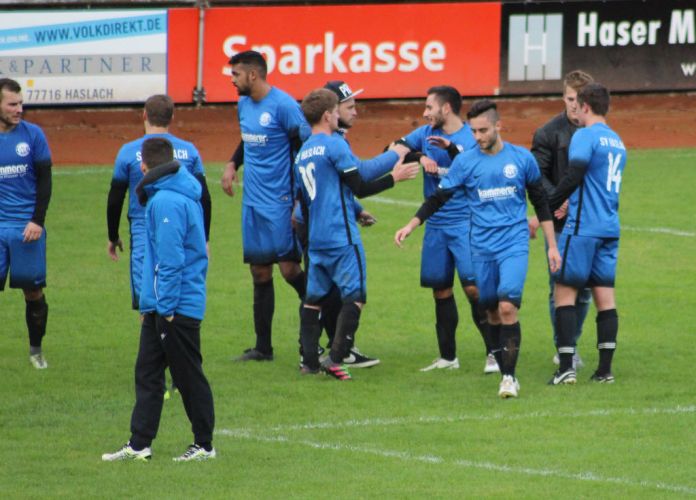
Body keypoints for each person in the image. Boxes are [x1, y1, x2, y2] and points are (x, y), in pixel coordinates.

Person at [395, 100, 561, 398]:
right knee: (491, 310)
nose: (478, 137)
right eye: (473, 131)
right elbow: (438, 198)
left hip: (513, 244)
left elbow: (541, 203)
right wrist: (411, 224)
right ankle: (500, 364)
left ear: (499, 126)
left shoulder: (522, 159)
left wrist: (552, 246)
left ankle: (508, 378)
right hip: (481, 248)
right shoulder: (466, 161)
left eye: (483, 130)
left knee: (508, 307)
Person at [102, 137, 215, 462]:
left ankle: (205, 445)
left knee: (187, 374)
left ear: (143, 167)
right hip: (161, 304)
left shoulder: (165, 202)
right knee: (148, 372)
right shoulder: (172, 194)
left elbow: (171, 260)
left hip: (175, 306)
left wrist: (165, 309)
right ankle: (140, 444)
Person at [295, 88, 417, 380]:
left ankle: (308, 362)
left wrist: (356, 209)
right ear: (327, 115)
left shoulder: (302, 152)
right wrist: (393, 170)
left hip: (317, 239)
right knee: (356, 295)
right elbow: (359, 180)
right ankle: (336, 358)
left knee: (313, 300)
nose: (340, 115)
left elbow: (317, 197)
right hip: (341, 236)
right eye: (337, 111)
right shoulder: (333, 144)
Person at [390, 86, 498, 374]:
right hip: (435, 224)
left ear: (446, 108)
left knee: (474, 289)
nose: (425, 113)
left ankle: (494, 354)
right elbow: (391, 148)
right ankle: (448, 358)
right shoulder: (424, 134)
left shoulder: (472, 135)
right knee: (440, 289)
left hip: (465, 223)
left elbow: (480, 163)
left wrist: (450, 151)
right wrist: (417, 157)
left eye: (429, 107)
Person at [221, 50, 311, 362]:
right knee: (259, 272)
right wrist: (233, 164)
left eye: (236, 75)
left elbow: (305, 149)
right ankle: (263, 348)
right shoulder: (243, 104)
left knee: (289, 270)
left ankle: (323, 310)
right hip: (253, 204)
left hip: (281, 201)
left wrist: (299, 199)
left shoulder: (285, 106)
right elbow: (247, 139)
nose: (232, 80)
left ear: (253, 75)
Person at [547, 83, 626, 385]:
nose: (574, 111)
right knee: (605, 298)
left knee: (564, 293)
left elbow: (574, 174)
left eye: (577, 106)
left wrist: (548, 205)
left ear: (586, 107)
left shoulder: (584, 135)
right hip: (609, 227)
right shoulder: (617, 141)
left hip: (582, 228)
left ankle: (566, 367)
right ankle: (605, 371)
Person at [107, 94, 211, 310]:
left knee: (147, 296)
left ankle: (152, 340)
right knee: (179, 284)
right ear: (172, 117)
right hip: (182, 227)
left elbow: (115, 198)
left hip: (143, 228)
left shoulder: (127, 152)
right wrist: (205, 238)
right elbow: (204, 196)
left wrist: (113, 235)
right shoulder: (189, 151)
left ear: (144, 115)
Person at [529, 70, 594, 370]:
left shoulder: (596, 131)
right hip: (557, 222)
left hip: (590, 220)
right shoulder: (547, 133)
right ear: (563, 96)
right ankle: (564, 347)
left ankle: (571, 341)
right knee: (560, 285)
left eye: (579, 100)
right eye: (569, 99)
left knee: (586, 290)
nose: (574, 105)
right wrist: (559, 199)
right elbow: (537, 176)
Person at [0, 78, 52, 369]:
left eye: (21, 103)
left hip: (26, 228)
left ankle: (36, 351)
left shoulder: (33, 135)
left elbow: (45, 180)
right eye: (12, 104)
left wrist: (37, 220)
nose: (19, 109)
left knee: (33, 291)